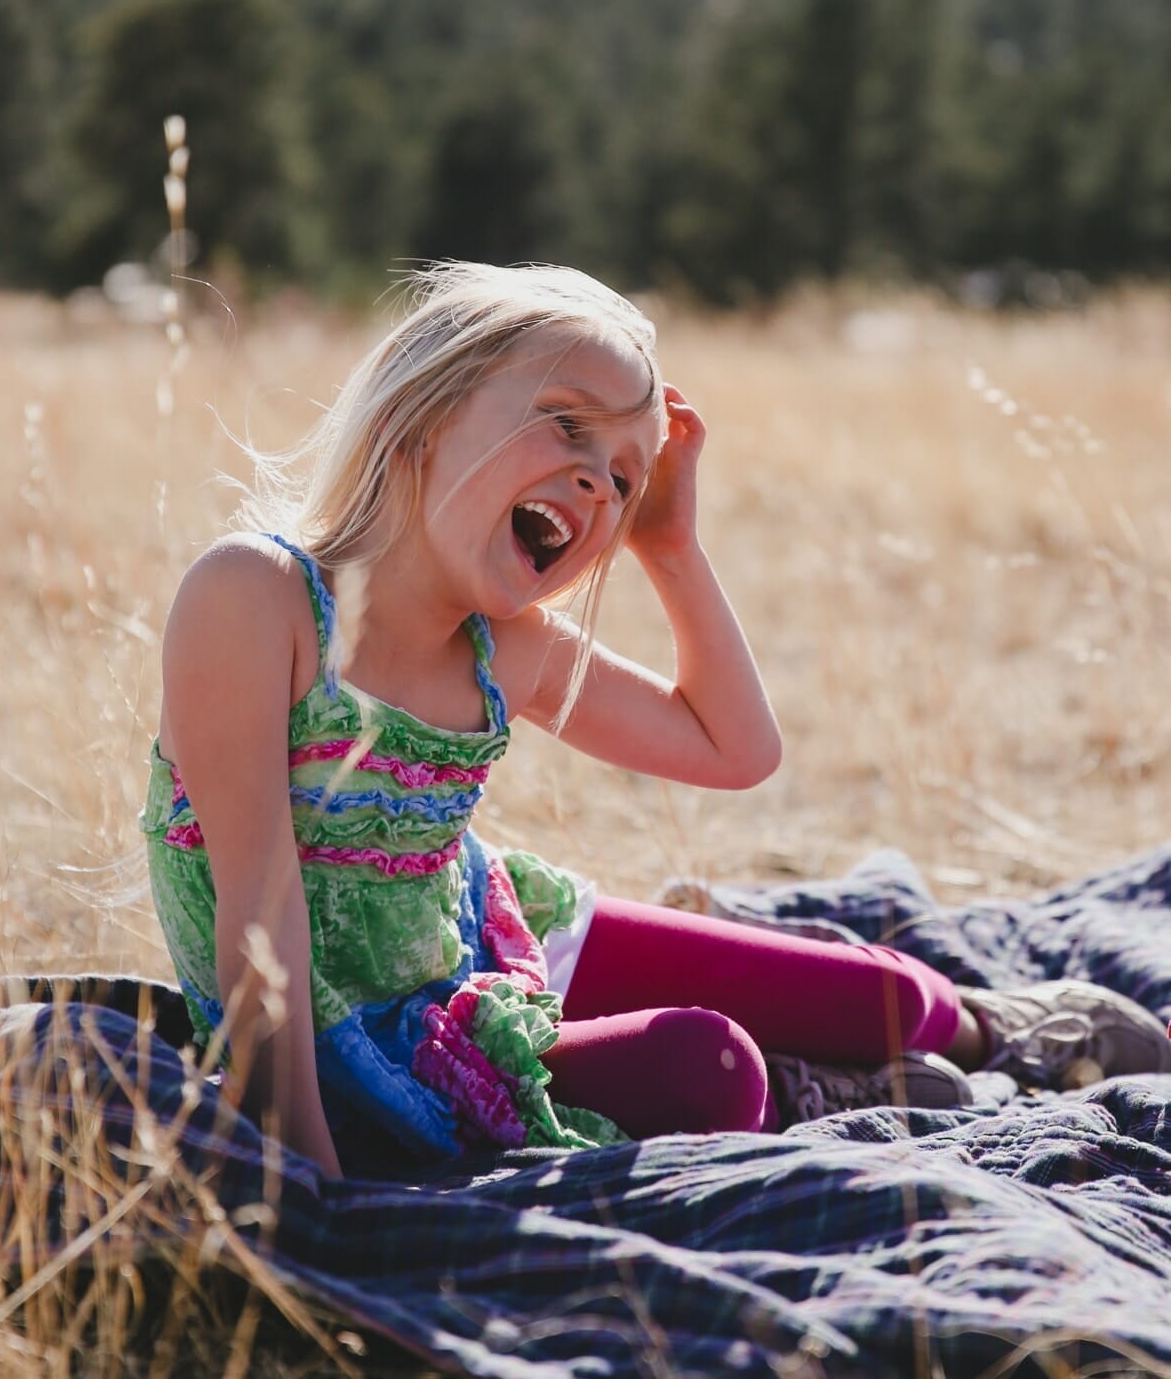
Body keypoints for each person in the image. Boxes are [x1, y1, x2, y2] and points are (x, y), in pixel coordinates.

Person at [140, 261, 1171, 1176]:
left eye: (625, 480)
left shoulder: (506, 646)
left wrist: (669, 543)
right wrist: (310, 1188)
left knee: (894, 1002)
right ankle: (815, 1091)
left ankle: (994, 1028)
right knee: (705, 1066)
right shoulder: (259, 598)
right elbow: (260, 913)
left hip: (488, 947)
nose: (600, 479)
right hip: (384, 1043)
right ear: (425, 408)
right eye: (566, 423)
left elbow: (736, 751)